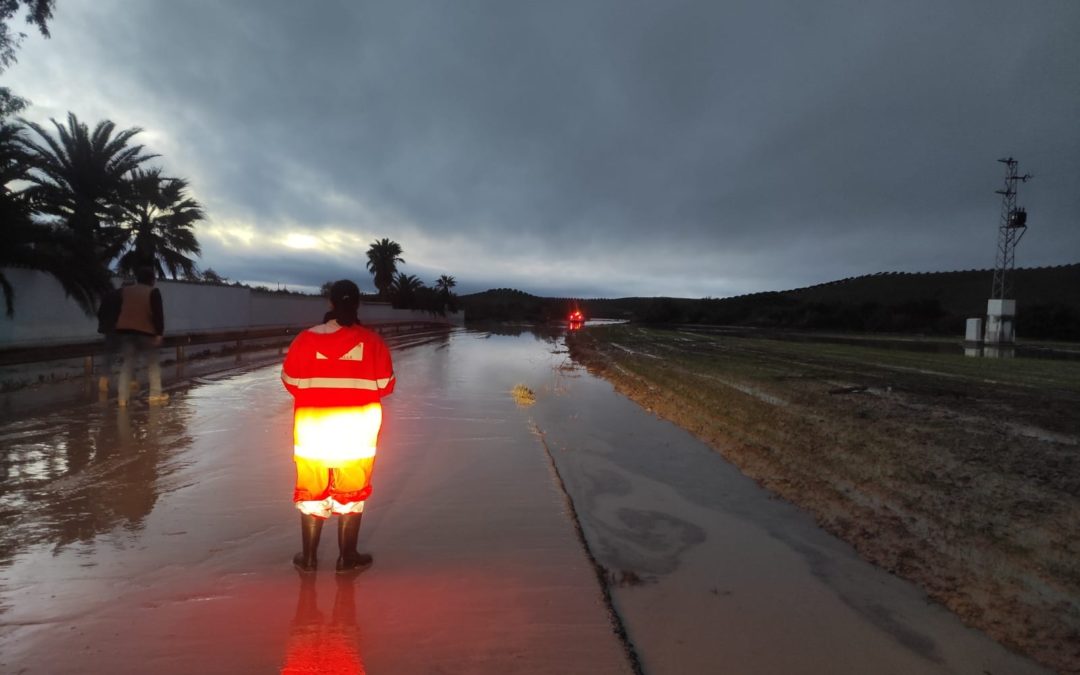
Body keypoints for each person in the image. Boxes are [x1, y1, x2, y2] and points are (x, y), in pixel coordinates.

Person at [281, 279, 396, 573]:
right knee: (352, 492)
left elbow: (290, 382)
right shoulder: (372, 342)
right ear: (357, 304)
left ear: (330, 303)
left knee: (313, 490)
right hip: (357, 431)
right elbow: (385, 385)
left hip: (312, 429)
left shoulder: (305, 339)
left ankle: (308, 560)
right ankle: (347, 558)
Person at [115, 266, 167, 406]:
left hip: (126, 332)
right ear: (152, 280)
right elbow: (158, 315)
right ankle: (155, 395)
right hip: (146, 332)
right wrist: (159, 333)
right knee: (153, 364)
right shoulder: (153, 292)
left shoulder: (125, 291)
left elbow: (118, 310)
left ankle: (122, 398)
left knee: (127, 365)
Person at [95, 283, 123, 393]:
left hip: (109, 329)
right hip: (122, 329)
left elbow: (100, 313)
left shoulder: (108, 296)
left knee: (108, 354)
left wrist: (104, 324)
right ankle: (130, 380)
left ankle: (103, 380)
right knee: (128, 354)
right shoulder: (126, 297)